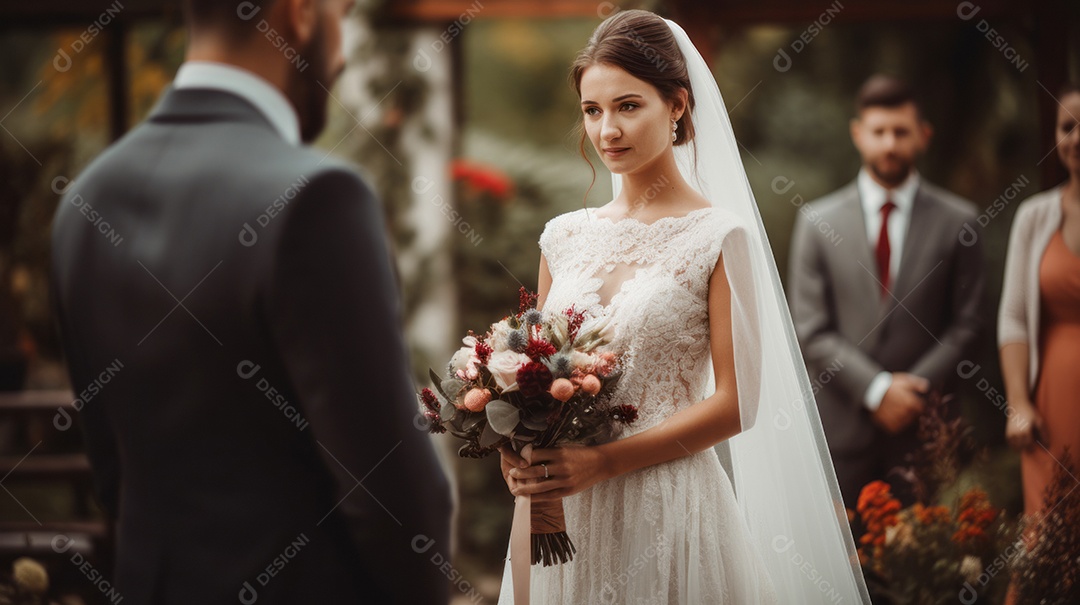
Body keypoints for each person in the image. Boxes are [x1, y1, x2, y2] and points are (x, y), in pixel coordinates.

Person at [49, 0, 451, 602]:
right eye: (340, 10)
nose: (340, 57)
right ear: (301, 14)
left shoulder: (84, 202)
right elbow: (395, 502)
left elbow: (115, 474)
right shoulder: (319, 198)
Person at [496, 10, 869, 604]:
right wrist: (515, 455)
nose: (607, 130)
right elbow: (538, 383)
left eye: (627, 106)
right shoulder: (562, 237)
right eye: (592, 111)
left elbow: (738, 404)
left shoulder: (720, 238)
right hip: (560, 512)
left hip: (664, 508)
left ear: (676, 105)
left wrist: (606, 464)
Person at [788, 75, 984, 509]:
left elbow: (968, 324)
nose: (889, 144)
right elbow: (810, 329)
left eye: (901, 132)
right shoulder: (817, 221)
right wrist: (875, 390)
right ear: (859, 134)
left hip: (927, 435)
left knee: (927, 572)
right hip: (842, 432)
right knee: (841, 571)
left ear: (923, 135)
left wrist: (912, 393)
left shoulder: (959, 222)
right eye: (879, 132)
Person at [999, 82, 1080, 515]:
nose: (1078, 138)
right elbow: (1013, 316)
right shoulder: (1033, 216)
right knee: (1049, 535)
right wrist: (1019, 404)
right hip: (1052, 404)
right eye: (1068, 127)